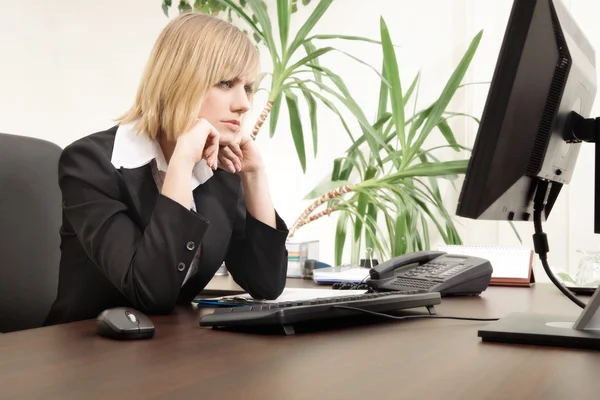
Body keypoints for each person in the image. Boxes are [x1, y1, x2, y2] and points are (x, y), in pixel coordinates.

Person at [44, 12, 289, 325]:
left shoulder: (219, 168)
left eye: (249, 87)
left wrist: (254, 176)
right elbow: (151, 291)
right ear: (179, 82)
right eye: (225, 83)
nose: (243, 103)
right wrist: (182, 162)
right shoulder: (90, 164)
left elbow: (266, 284)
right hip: (85, 353)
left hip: (169, 348)